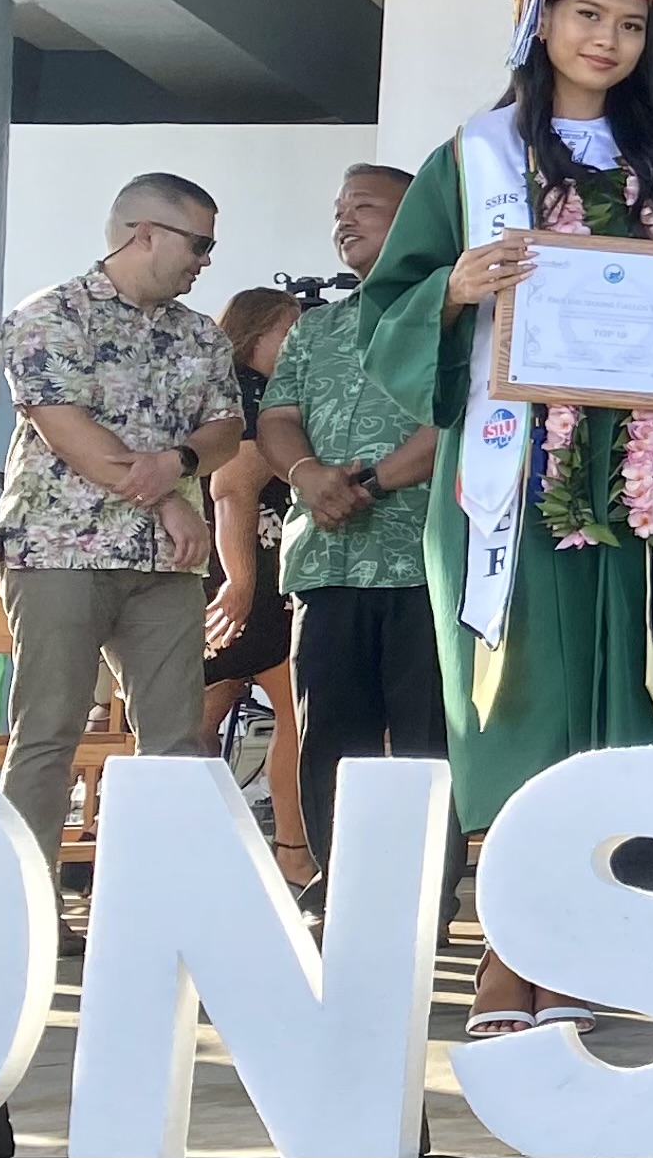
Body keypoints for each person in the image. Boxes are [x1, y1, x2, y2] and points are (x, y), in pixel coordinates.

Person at [358, 0, 653, 1034]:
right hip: (511, 481)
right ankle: (511, 951)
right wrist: (455, 287)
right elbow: (390, 311)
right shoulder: (471, 158)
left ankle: (601, 948)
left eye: (630, 21)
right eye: (586, 13)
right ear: (540, 16)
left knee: (630, 710)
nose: (608, 38)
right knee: (514, 703)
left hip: (645, 482)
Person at [0, 173, 241, 919]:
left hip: (166, 565)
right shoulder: (47, 316)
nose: (206, 261)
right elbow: (74, 436)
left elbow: (225, 429)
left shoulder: (201, 333)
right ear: (144, 233)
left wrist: (184, 462)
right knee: (49, 729)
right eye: (200, 243)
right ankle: (23, 910)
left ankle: (154, 910)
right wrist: (166, 491)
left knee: (173, 735)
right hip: (60, 551)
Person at [259, 164, 450, 902]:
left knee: (427, 743)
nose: (345, 220)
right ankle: (345, 892)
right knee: (331, 740)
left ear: (414, 219)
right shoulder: (317, 326)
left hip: (423, 561)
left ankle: (425, 898)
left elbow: (460, 419)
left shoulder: (451, 313)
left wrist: (370, 482)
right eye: (340, 208)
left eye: (365, 206)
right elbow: (277, 415)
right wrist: (307, 474)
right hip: (329, 563)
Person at [203, 288, 314, 893]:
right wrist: (241, 582)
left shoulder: (235, 388)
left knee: (197, 716)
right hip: (244, 572)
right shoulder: (249, 392)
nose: (298, 344)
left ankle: (174, 844)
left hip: (242, 570)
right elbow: (231, 488)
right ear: (252, 338)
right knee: (294, 714)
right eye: (288, 332)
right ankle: (292, 852)